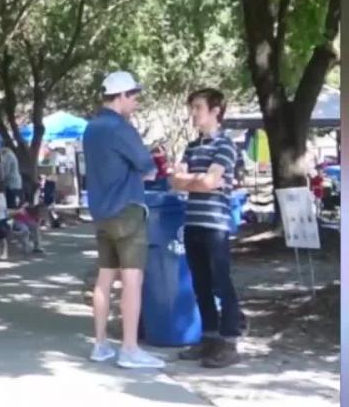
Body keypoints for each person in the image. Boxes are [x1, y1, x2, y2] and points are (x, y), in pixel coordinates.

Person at [81, 71, 163, 369]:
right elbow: (147, 166)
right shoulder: (122, 129)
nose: (137, 103)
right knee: (132, 281)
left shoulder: (91, 129)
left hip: (101, 212)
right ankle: (129, 348)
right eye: (134, 96)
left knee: (104, 277)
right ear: (122, 96)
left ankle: (100, 344)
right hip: (127, 210)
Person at [169, 88, 242, 368]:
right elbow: (176, 181)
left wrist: (193, 179)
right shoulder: (191, 146)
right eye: (192, 108)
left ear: (215, 111)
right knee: (200, 284)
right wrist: (196, 180)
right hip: (192, 223)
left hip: (215, 224)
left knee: (221, 282)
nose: (193, 113)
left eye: (198, 107)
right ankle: (209, 338)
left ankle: (230, 340)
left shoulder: (225, 144)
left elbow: (210, 182)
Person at [0, 146, 23, 215]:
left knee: (12, 204)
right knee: (15, 203)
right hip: (15, 183)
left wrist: (0, 179)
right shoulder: (11, 154)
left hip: (12, 184)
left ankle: (12, 220)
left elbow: (5, 171)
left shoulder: (7, 156)